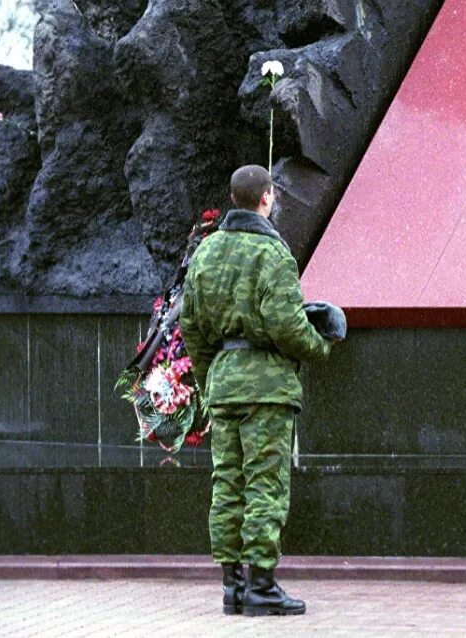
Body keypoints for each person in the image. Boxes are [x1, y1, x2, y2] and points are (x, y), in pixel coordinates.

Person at [180, 164, 332, 617]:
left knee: (227, 484)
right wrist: (320, 345)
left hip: (224, 385)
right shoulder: (273, 254)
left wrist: (211, 378)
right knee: (266, 485)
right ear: (266, 198)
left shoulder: (206, 254)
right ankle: (262, 584)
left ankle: (232, 586)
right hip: (267, 387)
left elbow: (192, 327)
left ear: (234, 198)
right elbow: (286, 325)